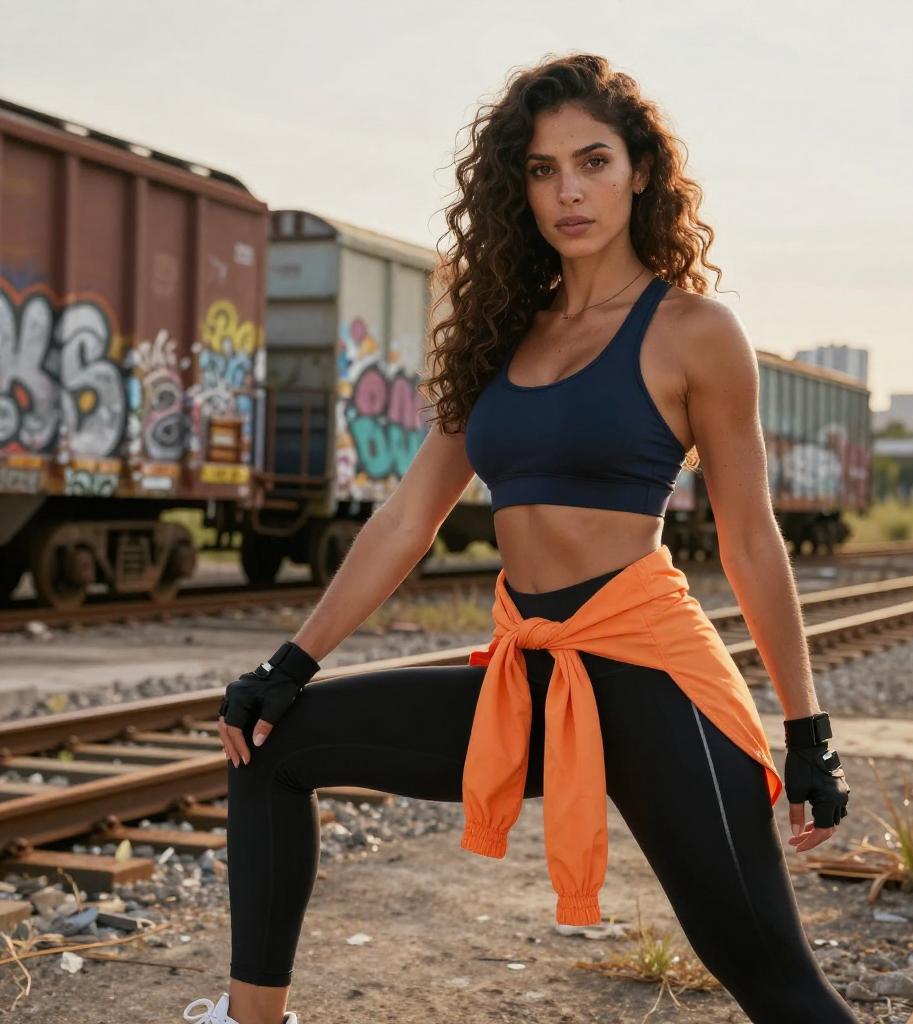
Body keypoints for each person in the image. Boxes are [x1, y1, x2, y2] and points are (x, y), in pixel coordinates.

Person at [183, 52, 854, 1024]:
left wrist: (808, 732)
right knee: (271, 741)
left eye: (592, 161)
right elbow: (408, 517)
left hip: (653, 679)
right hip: (525, 675)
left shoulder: (694, 331)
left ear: (639, 174)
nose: (568, 190)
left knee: (779, 988)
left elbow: (751, 542)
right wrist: (290, 660)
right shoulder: (500, 332)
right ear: (517, 186)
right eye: (543, 170)